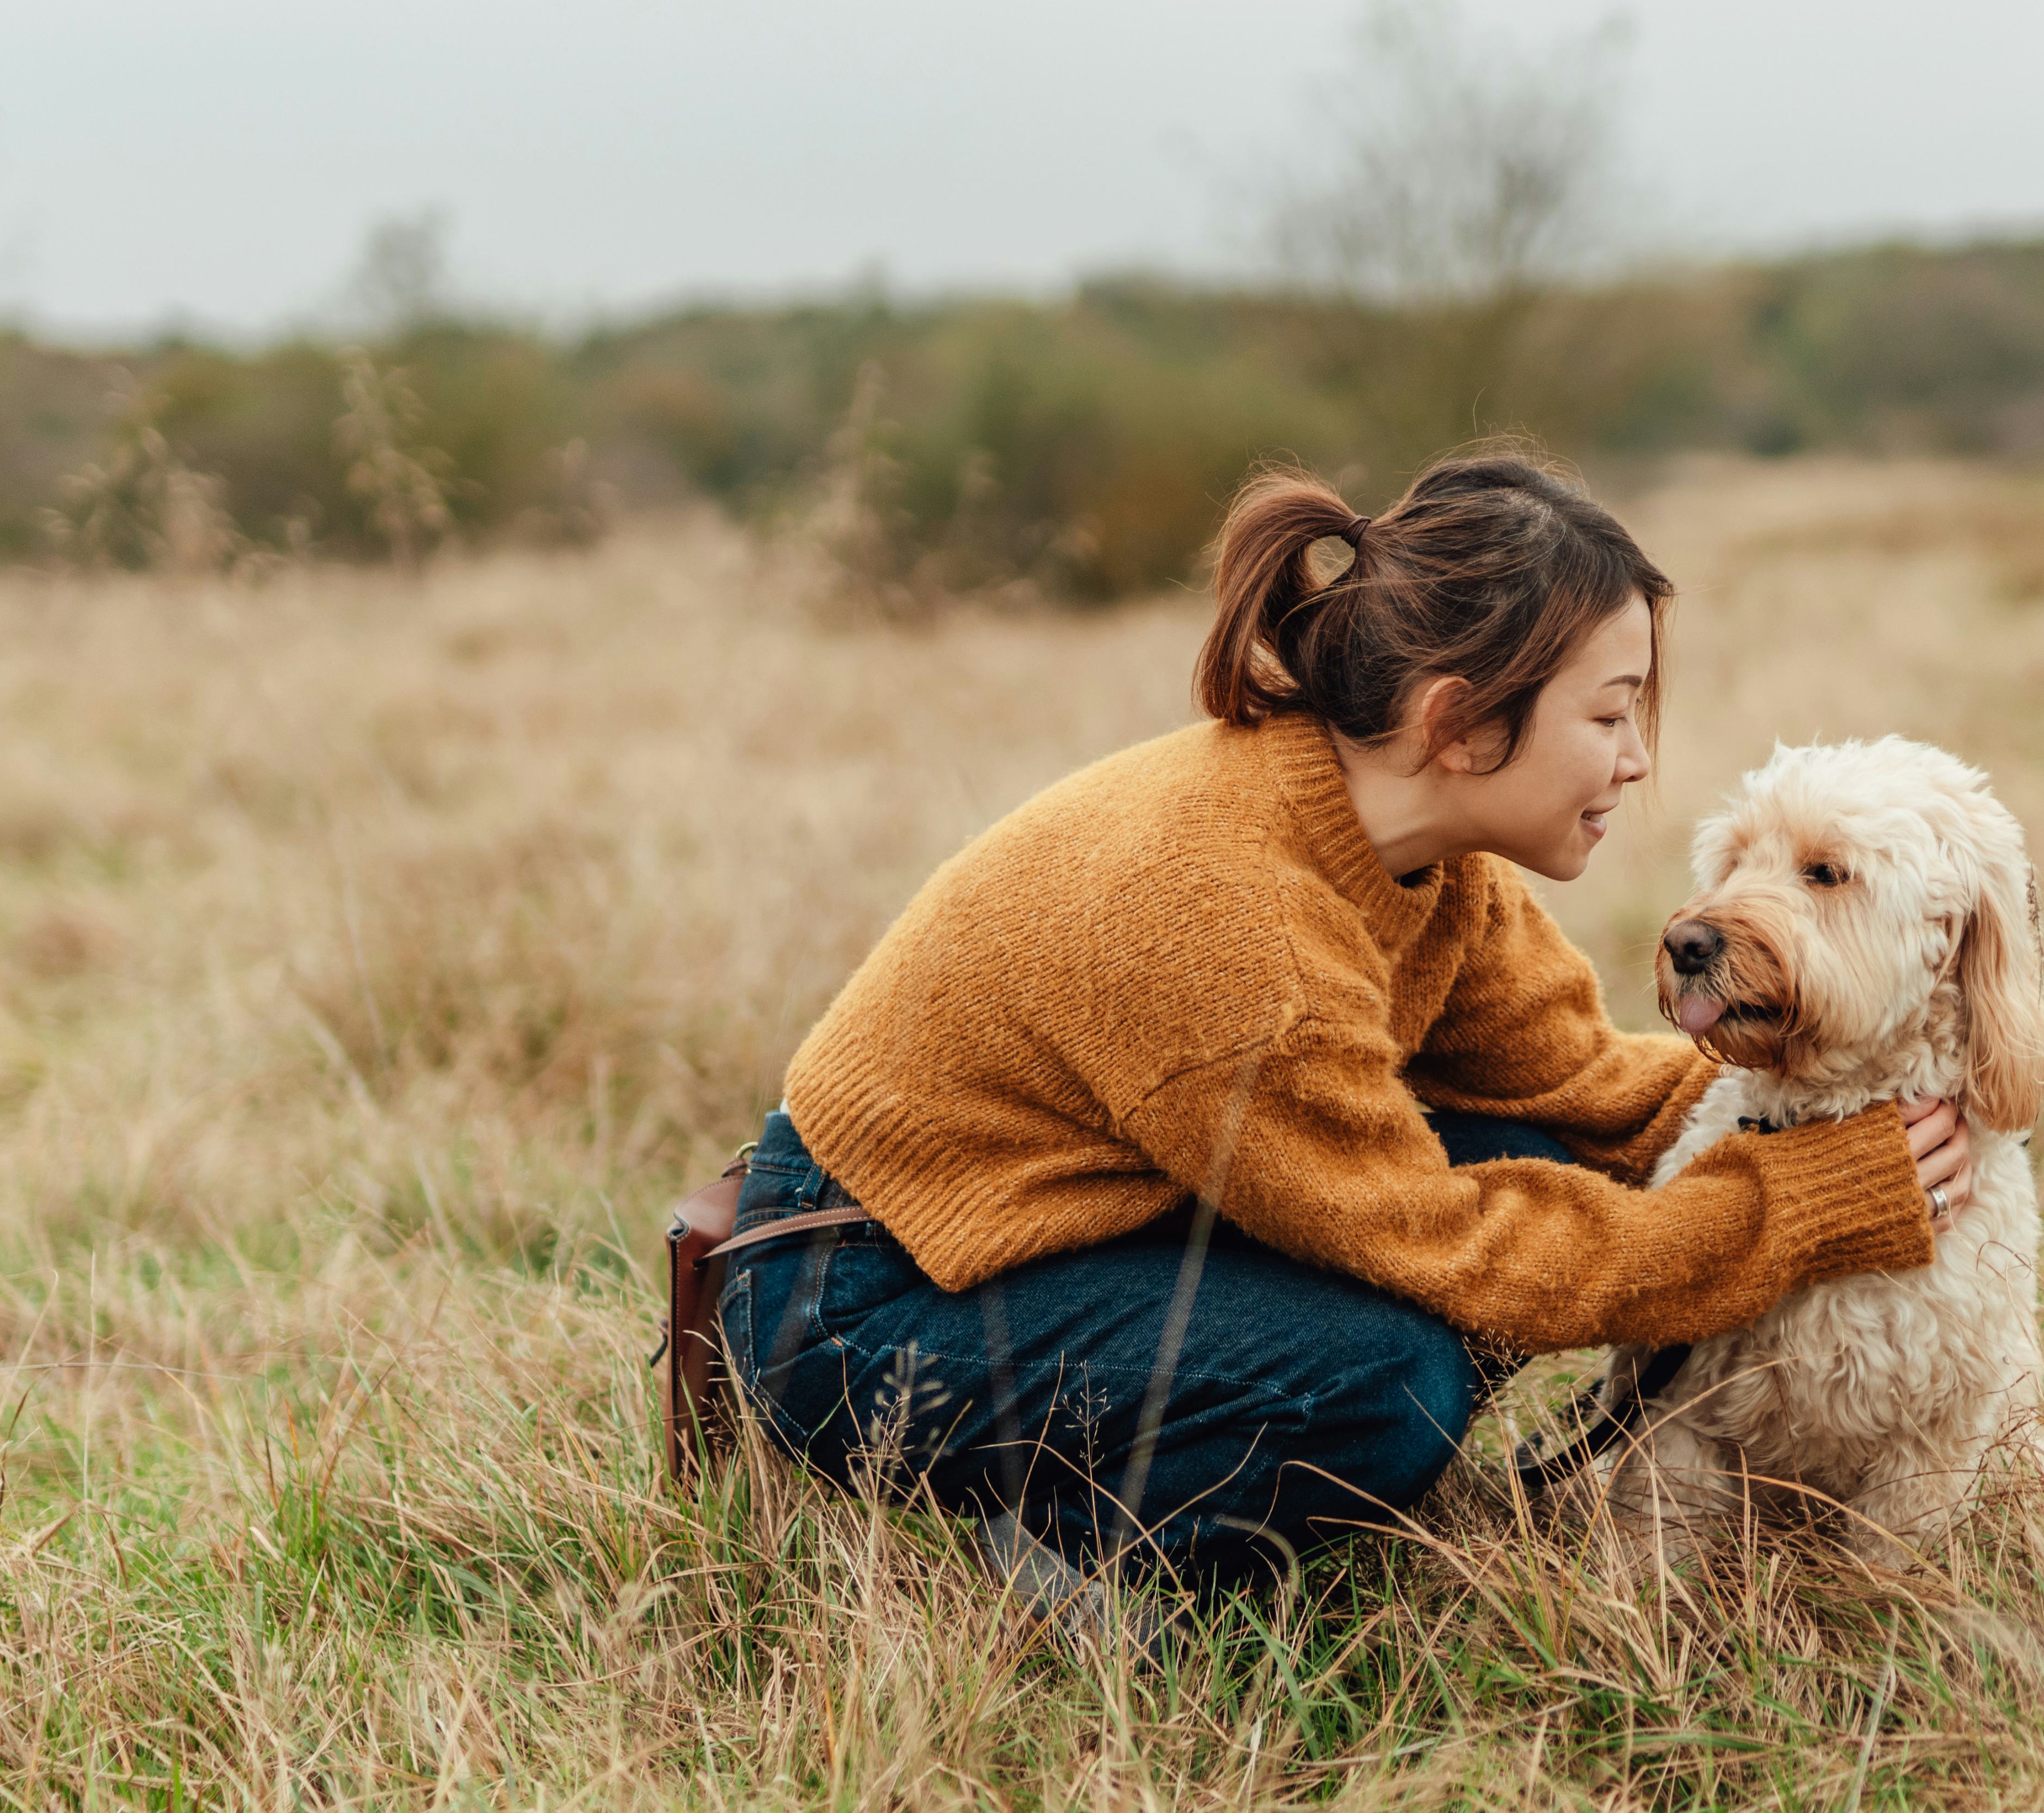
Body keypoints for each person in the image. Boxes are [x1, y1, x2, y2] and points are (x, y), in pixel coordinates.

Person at [719, 443, 1967, 1618]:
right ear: (1459, 723)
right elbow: (1445, 1245)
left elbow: (1584, 1089)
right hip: (853, 1295)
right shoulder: (1234, 927)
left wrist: (1849, 1113)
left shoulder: (1428, 859)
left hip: (1068, 1235)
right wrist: (1793, 1205)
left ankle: (1190, 1464)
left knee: (1546, 1172)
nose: (1640, 760)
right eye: (1609, 714)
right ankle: (1073, 1569)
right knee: (1382, 1377)